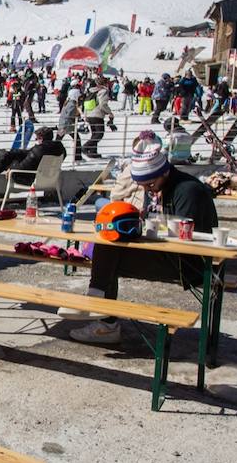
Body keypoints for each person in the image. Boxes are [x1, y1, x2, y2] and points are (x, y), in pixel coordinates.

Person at [66, 138, 218, 344]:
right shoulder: (155, 186)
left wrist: (146, 227)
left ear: (164, 172)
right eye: (142, 185)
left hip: (188, 264)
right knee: (107, 246)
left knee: (108, 256)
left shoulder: (188, 190)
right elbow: (150, 220)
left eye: (150, 184)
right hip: (164, 254)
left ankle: (101, 314)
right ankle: (101, 311)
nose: (147, 189)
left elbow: (184, 235)